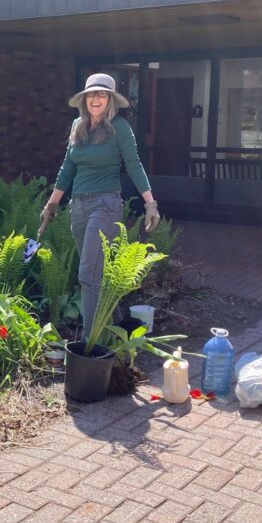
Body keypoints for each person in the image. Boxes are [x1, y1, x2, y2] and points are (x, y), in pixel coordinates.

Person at [40, 73, 161, 340]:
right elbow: (68, 167)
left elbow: (134, 165)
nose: (96, 99)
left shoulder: (119, 128)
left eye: (102, 94)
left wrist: (150, 203)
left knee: (87, 274)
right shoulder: (78, 126)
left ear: (110, 101)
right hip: (79, 206)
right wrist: (52, 204)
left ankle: (89, 340)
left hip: (105, 205)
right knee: (95, 270)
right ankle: (119, 322)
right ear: (85, 99)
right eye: (92, 94)